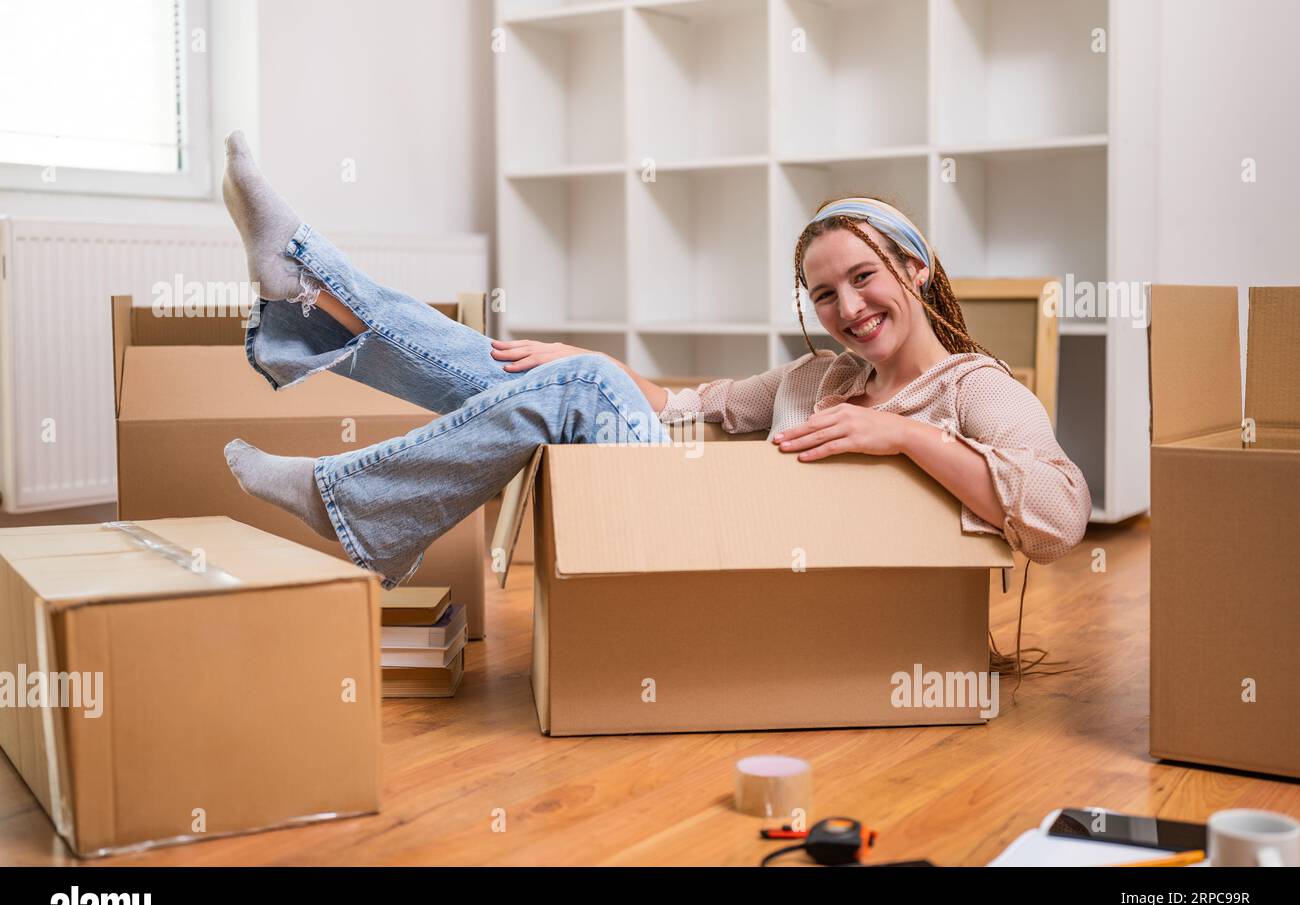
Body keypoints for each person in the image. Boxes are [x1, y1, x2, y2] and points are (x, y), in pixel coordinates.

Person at [220, 132, 1090, 590]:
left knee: (579, 384)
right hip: (681, 527)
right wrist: (577, 362)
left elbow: (1059, 518)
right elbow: (678, 405)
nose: (848, 311)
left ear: (915, 267)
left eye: (864, 279)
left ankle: (311, 299)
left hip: (746, 563)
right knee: (565, 379)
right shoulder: (815, 380)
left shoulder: (974, 389)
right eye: (825, 296)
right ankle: (308, 298)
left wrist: (900, 440)